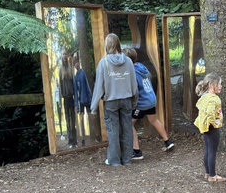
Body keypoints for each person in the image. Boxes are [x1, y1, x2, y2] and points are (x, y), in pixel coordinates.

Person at [90, 34, 138, 166]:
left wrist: (93, 107)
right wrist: (134, 101)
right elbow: (134, 84)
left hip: (111, 102)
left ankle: (115, 161)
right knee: (127, 130)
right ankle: (127, 160)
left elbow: (99, 87)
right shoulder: (128, 62)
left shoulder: (103, 63)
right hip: (126, 100)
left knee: (113, 131)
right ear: (118, 44)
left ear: (107, 45)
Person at [123, 48, 174, 160]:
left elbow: (134, 90)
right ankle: (168, 141)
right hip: (151, 100)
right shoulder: (141, 67)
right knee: (154, 120)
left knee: (129, 124)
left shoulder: (132, 72)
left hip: (142, 103)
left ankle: (137, 151)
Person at [194, 73, 226, 182]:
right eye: (219, 84)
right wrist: (213, 123)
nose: (221, 86)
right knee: (212, 151)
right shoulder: (213, 98)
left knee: (208, 150)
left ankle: (207, 173)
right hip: (212, 128)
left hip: (206, 128)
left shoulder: (204, 96)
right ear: (212, 86)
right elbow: (210, 112)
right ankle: (213, 176)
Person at [59, 48, 77, 148]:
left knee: (73, 119)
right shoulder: (60, 70)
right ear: (61, 56)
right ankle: (70, 141)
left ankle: (75, 140)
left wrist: (75, 97)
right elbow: (61, 86)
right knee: (68, 119)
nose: (64, 56)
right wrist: (61, 97)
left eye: (65, 54)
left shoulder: (70, 69)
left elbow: (73, 84)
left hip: (71, 97)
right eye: (63, 54)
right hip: (65, 98)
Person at [73, 56, 93, 146]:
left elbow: (87, 85)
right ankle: (83, 139)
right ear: (74, 66)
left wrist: (90, 97)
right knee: (81, 119)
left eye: (77, 62)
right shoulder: (75, 77)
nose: (76, 64)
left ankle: (95, 135)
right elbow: (76, 91)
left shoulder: (83, 73)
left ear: (79, 63)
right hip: (81, 100)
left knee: (91, 116)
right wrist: (77, 105)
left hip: (87, 99)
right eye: (75, 63)